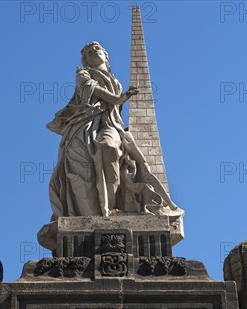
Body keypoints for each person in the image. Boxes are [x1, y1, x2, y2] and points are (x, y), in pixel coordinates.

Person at [38, 41, 183, 249]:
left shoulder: (113, 78)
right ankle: (96, 214)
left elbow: (114, 105)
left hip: (109, 124)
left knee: (110, 147)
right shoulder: (83, 75)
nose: (92, 53)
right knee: (82, 169)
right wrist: (121, 98)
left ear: (106, 55)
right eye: (88, 52)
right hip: (85, 124)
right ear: (85, 60)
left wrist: (120, 99)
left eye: (96, 49)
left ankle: (113, 207)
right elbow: (101, 95)